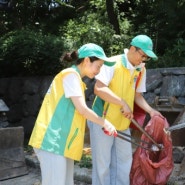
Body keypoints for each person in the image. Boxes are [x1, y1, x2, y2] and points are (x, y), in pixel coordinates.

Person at [28, 43, 117, 185]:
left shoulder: (74, 78)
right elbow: (82, 109)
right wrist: (104, 122)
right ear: (87, 60)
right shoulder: (70, 76)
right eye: (98, 66)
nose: (99, 71)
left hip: (61, 143)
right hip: (52, 141)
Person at [87, 35, 163, 185]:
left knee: (124, 161)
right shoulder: (111, 63)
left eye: (146, 58)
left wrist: (151, 111)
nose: (143, 60)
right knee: (102, 165)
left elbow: (137, 95)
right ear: (133, 49)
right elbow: (98, 89)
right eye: (142, 55)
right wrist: (122, 103)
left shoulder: (140, 69)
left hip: (123, 121)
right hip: (102, 119)